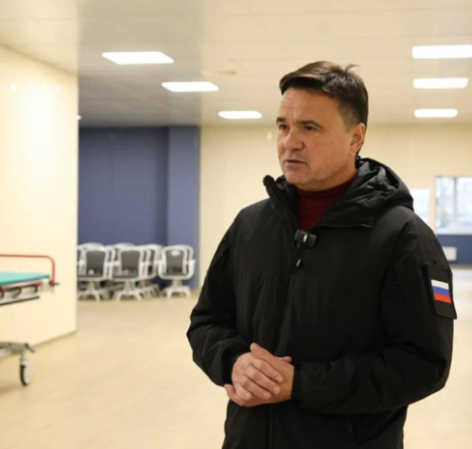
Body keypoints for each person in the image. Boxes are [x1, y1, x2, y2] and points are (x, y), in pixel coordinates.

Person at [187, 61, 456, 449]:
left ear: (355, 137)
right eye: (283, 126)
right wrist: (234, 362)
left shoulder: (404, 238)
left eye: (309, 128)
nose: (289, 142)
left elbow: (425, 364)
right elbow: (207, 322)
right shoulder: (249, 225)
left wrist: (301, 384)